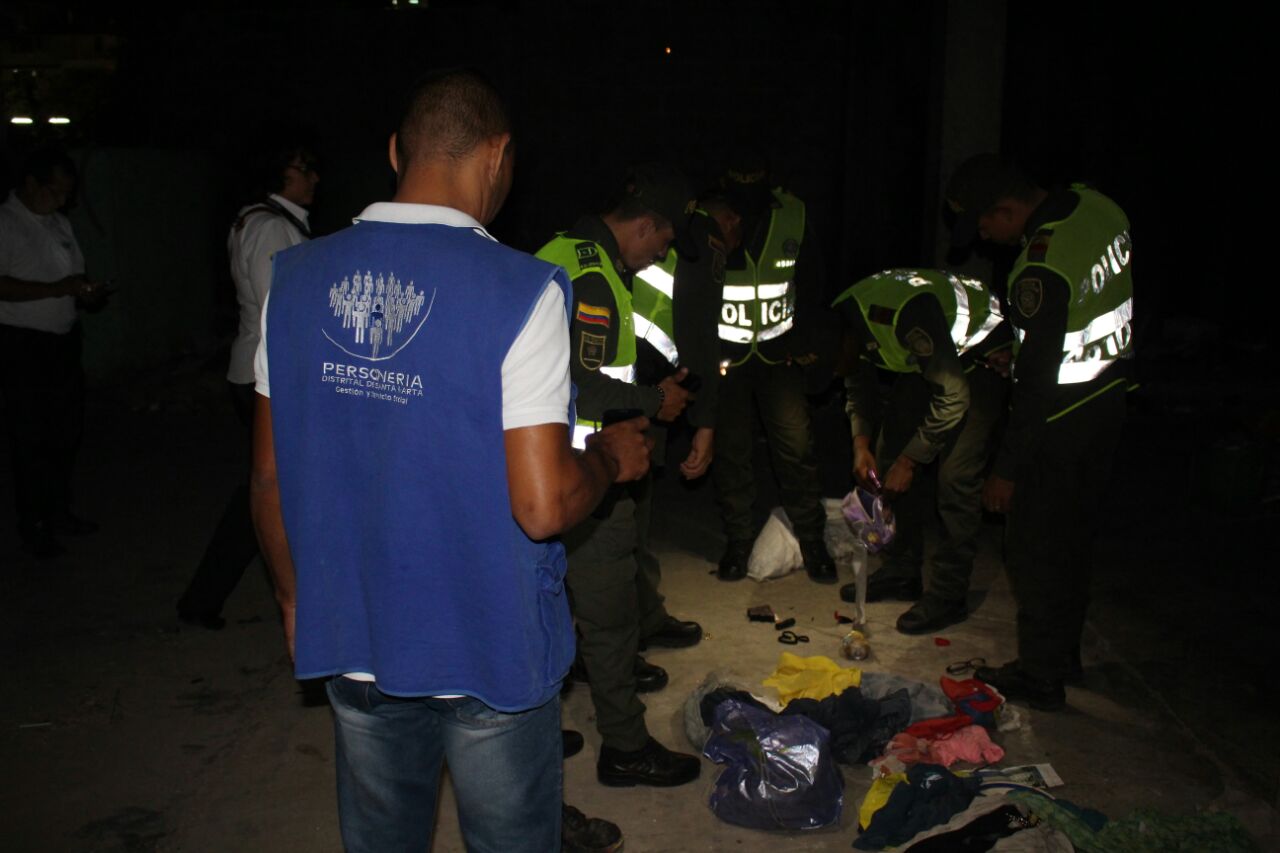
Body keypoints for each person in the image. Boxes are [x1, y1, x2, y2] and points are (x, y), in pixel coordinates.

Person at [250, 69, 650, 852]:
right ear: (497, 156)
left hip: (357, 632)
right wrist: (606, 458)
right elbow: (540, 505)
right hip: (488, 647)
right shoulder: (524, 289)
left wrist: (296, 598)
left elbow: (268, 475)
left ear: (399, 151)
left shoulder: (292, 280)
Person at [535, 164, 704, 788]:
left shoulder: (565, 252)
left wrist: (650, 390)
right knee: (609, 618)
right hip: (585, 474)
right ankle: (626, 749)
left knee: (545, 604)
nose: (662, 253)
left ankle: (532, 732)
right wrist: (654, 405)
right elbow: (576, 381)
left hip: (541, 469)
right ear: (643, 224)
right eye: (662, 241)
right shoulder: (595, 277)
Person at [945, 154, 1135, 711]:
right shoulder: (1099, 208)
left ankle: (1040, 676)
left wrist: (1005, 470)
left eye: (986, 225)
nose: (984, 237)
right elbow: (1092, 306)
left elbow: (1036, 387)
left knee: (1036, 553)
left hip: (1056, 426)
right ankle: (1061, 654)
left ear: (1008, 208)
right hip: (1107, 401)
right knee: (1073, 545)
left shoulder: (1037, 267)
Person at [177, 141, 318, 629]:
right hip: (270, 375)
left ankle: (206, 597)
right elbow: (281, 310)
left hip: (259, 371)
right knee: (266, 490)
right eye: (303, 168)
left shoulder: (258, 220)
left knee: (271, 488)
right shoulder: (271, 226)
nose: (313, 178)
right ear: (279, 173)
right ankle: (203, 598)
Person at [832, 268, 1011, 634]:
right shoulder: (843, 326)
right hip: (930, 361)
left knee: (955, 476)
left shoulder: (899, 314)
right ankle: (901, 570)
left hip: (981, 360)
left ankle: (949, 594)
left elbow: (954, 395)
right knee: (885, 454)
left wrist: (911, 461)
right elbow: (858, 387)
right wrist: (860, 445)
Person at [711, 149, 838, 583]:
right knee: (731, 452)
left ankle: (812, 541)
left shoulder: (794, 213)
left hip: (779, 354)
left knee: (797, 449)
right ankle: (739, 542)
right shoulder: (710, 216)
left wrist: (802, 347)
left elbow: (814, 284)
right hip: (726, 355)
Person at [0, 147, 109, 559]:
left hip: (63, 339)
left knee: (66, 433)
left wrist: (86, 292)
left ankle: (59, 511)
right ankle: (34, 524)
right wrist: (56, 289)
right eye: (55, 191)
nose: (62, 201)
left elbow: (71, 276)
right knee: (31, 438)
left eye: (67, 194)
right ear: (31, 184)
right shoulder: (6, 223)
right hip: (22, 344)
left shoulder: (59, 223)